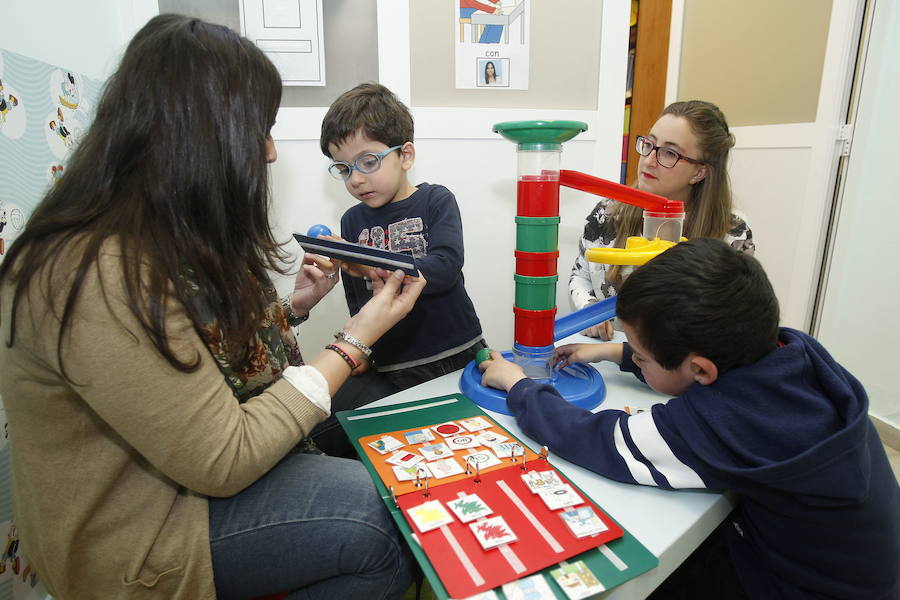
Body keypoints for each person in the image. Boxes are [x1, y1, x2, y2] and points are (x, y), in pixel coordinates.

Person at [0, 15, 424, 600]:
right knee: (376, 514)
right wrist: (354, 339)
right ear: (200, 137)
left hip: (186, 476)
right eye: (260, 130)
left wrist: (293, 310)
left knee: (374, 429)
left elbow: (192, 358)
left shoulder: (161, 232)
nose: (271, 153)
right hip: (141, 533)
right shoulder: (89, 271)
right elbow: (223, 457)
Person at [479, 238, 900, 599]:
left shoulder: (725, 423)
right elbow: (689, 369)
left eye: (642, 355)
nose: (637, 359)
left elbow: (596, 438)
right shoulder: (792, 352)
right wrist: (616, 352)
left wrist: (518, 385)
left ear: (701, 370)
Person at [319, 82, 486, 396]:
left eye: (368, 162)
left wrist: (369, 264)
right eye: (344, 168)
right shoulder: (352, 220)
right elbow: (359, 297)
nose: (355, 179)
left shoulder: (436, 200)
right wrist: (361, 345)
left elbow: (446, 265)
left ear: (406, 155)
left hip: (456, 353)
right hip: (393, 365)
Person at [570, 100, 755, 340]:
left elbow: (728, 319)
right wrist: (589, 310)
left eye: (669, 153)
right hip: (605, 354)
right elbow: (580, 275)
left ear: (700, 171)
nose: (648, 160)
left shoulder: (733, 234)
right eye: (649, 144)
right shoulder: (608, 212)